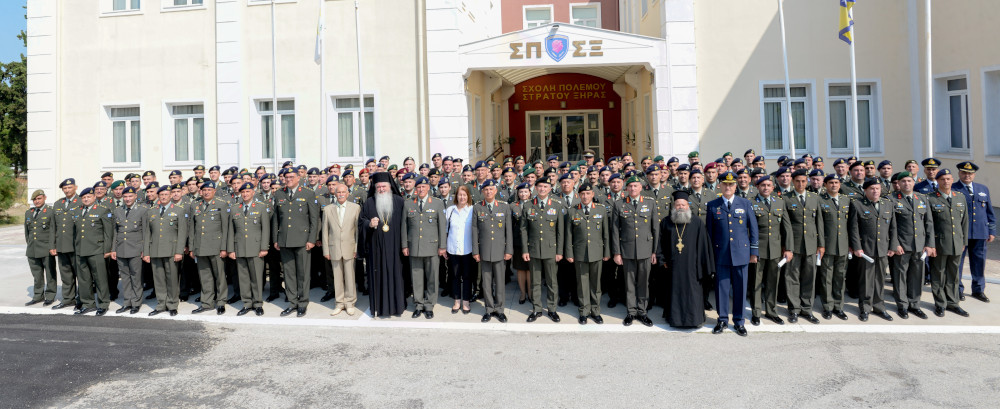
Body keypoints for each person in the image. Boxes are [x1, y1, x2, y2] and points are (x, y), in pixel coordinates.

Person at [705, 172, 758, 336]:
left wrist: (753, 252)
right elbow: (709, 233)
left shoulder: (745, 203)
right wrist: (711, 255)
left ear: (735, 186)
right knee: (721, 289)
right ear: (720, 186)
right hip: (721, 254)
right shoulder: (713, 205)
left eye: (731, 184)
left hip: (741, 253)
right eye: (725, 184)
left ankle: (739, 321)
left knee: (740, 289)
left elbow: (753, 230)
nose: (728, 187)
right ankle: (722, 320)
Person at [657, 190, 714, 328]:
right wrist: (662, 260)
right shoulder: (666, 222)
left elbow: (704, 246)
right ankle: (675, 319)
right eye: (678, 205)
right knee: (674, 292)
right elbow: (660, 243)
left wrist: (703, 266)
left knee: (693, 293)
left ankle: (693, 320)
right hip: (673, 266)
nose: (680, 207)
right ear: (674, 206)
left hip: (692, 268)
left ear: (688, 205)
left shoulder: (697, 222)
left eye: (683, 204)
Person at [847, 179, 898, 322]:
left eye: (877, 188)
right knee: (866, 280)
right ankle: (865, 307)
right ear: (865, 190)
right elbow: (854, 228)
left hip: (883, 249)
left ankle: (879, 306)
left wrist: (893, 246)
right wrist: (857, 247)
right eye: (872, 189)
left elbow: (893, 227)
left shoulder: (888, 204)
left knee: (880, 279)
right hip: (866, 250)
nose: (875, 191)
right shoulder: (857, 205)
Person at [612, 176, 658, 327]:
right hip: (627, 250)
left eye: (635, 186)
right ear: (626, 188)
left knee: (644, 282)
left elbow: (655, 229)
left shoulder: (650, 203)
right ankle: (631, 312)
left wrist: (654, 251)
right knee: (630, 283)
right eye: (630, 186)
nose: (632, 189)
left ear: (641, 187)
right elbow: (615, 231)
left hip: (646, 249)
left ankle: (642, 311)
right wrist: (617, 252)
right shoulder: (619, 204)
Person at [272, 169, 320, 317]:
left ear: (299, 178)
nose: (289, 179)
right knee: (289, 274)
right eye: (286, 177)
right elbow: (276, 219)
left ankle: (303, 303)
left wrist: (312, 239)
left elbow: (314, 219)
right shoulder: (279, 193)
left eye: (292, 177)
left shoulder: (308, 193)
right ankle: (292, 302)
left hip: (302, 241)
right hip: (285, 241)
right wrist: (275, 239)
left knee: (303, 274)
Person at [359, 172, 406, 317]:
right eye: (378, 187)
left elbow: (406, 225)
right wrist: (369, 224)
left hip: (395, 249)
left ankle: (397, 307)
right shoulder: (369, 203)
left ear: (390, 186)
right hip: (376, 249)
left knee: (396, 276)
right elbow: (361, 223)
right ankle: (380, 307)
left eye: (384, 186)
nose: (381, 189)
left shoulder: (399, 201)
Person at [889, 172, 935, 319]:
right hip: (902, 246)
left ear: (913, 182)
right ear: (899, 183)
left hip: (919, 246)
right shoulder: (891, 199)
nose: (907, 183)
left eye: (909, 180)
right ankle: (902, 305)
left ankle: (915, 304)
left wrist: (929, 244)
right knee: (900, 276)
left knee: (917, 276)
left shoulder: (921, 198)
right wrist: (895, 244)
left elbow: (928, 223)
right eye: (903, 181)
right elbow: (891, 225)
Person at [782, 169, 825, 324]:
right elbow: (786, 226)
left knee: (809, 278)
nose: (801, 184)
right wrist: (788, 247)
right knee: (792, 278)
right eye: (798, 181)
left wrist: (821, 245)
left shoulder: (815, 198)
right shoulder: (786, 198)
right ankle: (793, 309)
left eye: (803, 181)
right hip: (794, 245)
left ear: (807, 182)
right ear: (793, 182)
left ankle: (807, 309)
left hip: (812, 245)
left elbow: (819, 222)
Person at [402, 176, 448, 319]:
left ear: (428, 187)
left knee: (432, 277)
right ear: (416, 189)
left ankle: (429, 305)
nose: (421, 189)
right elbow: (404, 226)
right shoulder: (408, 203)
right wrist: (404, 245)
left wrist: (442, 246)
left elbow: (442, 226)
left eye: (423, 187)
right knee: (416, 277)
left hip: (432, 247)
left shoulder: (437, 203)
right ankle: (418, 304)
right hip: (414, 246)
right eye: (418, 187)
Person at [926, 169, 970, 317]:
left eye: (948, 179)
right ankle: (940, 304)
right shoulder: (930, 198)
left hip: (957, 243)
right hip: (939, 244)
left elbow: (964, 222)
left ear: (952, 180)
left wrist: (964, 241)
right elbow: (929, 225)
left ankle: (953, 303)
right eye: (943, 179)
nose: (946, 182)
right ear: (937, 181)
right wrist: (931, 244)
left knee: (954, 275)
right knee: (938, 274)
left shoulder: (960, 197)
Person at [520, 178, 565, 323]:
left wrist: (559, 251)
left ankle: (552, 309)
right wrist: (525, 250)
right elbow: (523, 230)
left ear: (550, 189)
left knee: (552, 281)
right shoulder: (527, 205)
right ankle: (537, 309)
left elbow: (560, 232)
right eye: (540, 186)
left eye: (545, 186)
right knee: (535, 281)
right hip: (533, 250)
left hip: (551, 250)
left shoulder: (557, 206)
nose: (542, 189)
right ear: (536, 188)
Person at [749, 176, 792, 325]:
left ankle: (771, 311)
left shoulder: (779, 202)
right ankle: (756, 312)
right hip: (758, 250)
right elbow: (747, 229)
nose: (766, 188)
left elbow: (786, 227)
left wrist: (789, 249)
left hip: (775, 250)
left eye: (768, 185)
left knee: (773, 281)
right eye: (762, 185)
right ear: (757, 187)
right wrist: (751, 251)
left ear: (773, 188)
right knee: (756, 282)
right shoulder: (751, 203)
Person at [565, 182, 610, 325]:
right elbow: (568, 235)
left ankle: (596, 311)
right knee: (582, 284)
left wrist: (607, 251)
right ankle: (584, 311)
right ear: (579, 195)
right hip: (579, 253)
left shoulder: (601, 210)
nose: (585, 196)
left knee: (596, 284)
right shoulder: (573, 211)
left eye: (588, 193)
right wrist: (569, 253)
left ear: (593, 195)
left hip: (597, 252)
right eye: (582, 194)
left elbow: (606, 234)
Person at [952, 161, 995, 303]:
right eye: (964, 172)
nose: (967, 175)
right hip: (960, 234)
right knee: (957, 263)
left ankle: (978, 290)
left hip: (980, 232)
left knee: (979, 262)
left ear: (974, 175)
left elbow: (989, 211)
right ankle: (958, 290)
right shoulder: (953, 188)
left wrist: (991, 230)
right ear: (959, 173)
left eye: (970, 173)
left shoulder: (983, 188)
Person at [472, 180, 513, 323]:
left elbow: (509, 231)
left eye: (491, 189)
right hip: (484, 251)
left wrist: (509, 250)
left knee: (500, 282)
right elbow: (474, 230)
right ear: (482, 192)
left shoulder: (504, 206)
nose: (488, 192)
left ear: (495, 191)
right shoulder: (477, 207)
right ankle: (489, 309)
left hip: (500, 251)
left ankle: (500, 309)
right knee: (486, 282)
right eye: (486, 189)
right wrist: (475, 251)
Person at [143, 185, 188, 317]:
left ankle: (172, 304)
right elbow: (147, 234)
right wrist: (146, 252)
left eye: (166, 195)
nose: (163, 197)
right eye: (161, 195)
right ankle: (161, 304)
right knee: (159, 280)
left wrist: (179, 251)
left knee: (172, 279)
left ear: (170, 196)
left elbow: (182, 233)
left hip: (171, 250)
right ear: (158, 196)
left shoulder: (179, 210)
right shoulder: (151, 211)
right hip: (155, 250)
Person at [228, 183, 270, 317]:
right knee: (243, 278)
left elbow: (266, 230)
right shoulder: (235, 208)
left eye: (248, 191)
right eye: (243, 192)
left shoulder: (261, 207)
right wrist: (231, 249)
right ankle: (246, 303)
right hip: (240, 248)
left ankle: (257, 304)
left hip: (256, 248)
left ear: (253, 192)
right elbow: (231, 231)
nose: (245, 194)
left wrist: (264, 247)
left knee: (257, 278)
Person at [188, 181, 230, 315]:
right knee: (205, 277)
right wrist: (192, 248)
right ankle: (207, 302)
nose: (206, 192)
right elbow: (192, 229)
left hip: (216, 247)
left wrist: (224, 248)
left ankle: (221, 302)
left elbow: (225, 228)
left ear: (214, 191)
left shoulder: (221, 204)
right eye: (204, 190)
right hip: (200, 246)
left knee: (219, 276)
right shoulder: (195, 204)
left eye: (209, 190)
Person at [72, 188, 115, 316]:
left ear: (94, 197)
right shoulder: (77, 211)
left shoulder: (103, 210)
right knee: (83, 279)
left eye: (89, 197)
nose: (86, 199)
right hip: (81, 250)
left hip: (97, 250)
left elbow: (108, 233)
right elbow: (76, 233)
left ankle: (103, 304)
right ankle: (87, 303)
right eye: (84, 197)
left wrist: (107, 250)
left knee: (100, 279)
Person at [322, 184, 361, 316]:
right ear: (335, 194)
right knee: (337, 277)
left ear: (348, 193)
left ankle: (350, 302)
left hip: (350, 247)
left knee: (350, 276)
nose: (341, 194)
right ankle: (339, 303)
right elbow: (325, 232)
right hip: (334, 248)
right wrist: (326, 250)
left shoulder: (355, 208)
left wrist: (357, 248)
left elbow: (357, 231)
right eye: (338, 192)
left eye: (343, 192)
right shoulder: (328, 209)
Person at [817, 175, 851, 321]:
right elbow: (818, 225)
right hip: (827, 246)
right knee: (827, 278)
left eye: (837, 182)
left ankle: (839, 306)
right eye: (831, 183)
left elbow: (851, 225)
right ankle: (828, 307)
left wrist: (851, 245)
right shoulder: (820, 200)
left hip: (843, 246)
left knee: (840, 277)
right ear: (825, 184)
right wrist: (820, 244)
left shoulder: (847, 200)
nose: (834, 185)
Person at [111, 186, 148, 314]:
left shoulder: (142, 210)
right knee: (125, 278)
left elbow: (145, 232)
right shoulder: (118, 211)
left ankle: (136, 302)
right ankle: (127, 302)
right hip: (121, 248)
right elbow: (115, 231)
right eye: (125, 196)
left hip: (136, 248)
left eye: (130, 196)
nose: (127, 199)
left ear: (135, 197)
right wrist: (113, 249)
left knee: (136, 277)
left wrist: (145, 250)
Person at [445, 185, 476, 315]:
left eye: (464, 195)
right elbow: (445, 230)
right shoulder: (450, 210)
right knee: (455, 276)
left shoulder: (472, 210)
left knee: (468, 277)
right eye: (459, 195)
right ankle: (457, 301)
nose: (462, 197)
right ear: (456, 196)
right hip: (453, 249)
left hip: (467, 249)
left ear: (468, 196)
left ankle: (466, 301)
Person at [24, 190, 58, 307]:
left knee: (50, 274)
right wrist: (30, 245)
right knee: (37, 275)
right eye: (35, 199)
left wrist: (52, 246)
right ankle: (38, 295)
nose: (37, 201)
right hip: (32, 249)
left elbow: (53, 230)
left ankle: (50, 296)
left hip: (46, 248)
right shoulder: (29, 213)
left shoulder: (50, 212)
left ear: (44, 198)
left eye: (39, 198)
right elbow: (27, 233)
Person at [52, 178, 81, 311]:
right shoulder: (58, 204)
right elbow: (53, 227)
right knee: (66, 275)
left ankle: (82, 299)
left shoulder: (82, 201)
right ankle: (68, 299)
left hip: (76, 246)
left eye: (70, 187)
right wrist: (53, 246)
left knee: (81, 275)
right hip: (62, 245)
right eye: (65, 188)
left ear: (75, 187)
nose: (67, 190)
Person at [510, 183, 532, 304]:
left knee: (530, 269)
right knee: (520, 268)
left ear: (530, 193)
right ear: (518, 194)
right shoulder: (513, 206)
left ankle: (530, 293)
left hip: (531, 241)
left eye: (526, 191)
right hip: (518, 242)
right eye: (521, 192)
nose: (523, 194)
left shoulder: (534, 205)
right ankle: (522, 293)